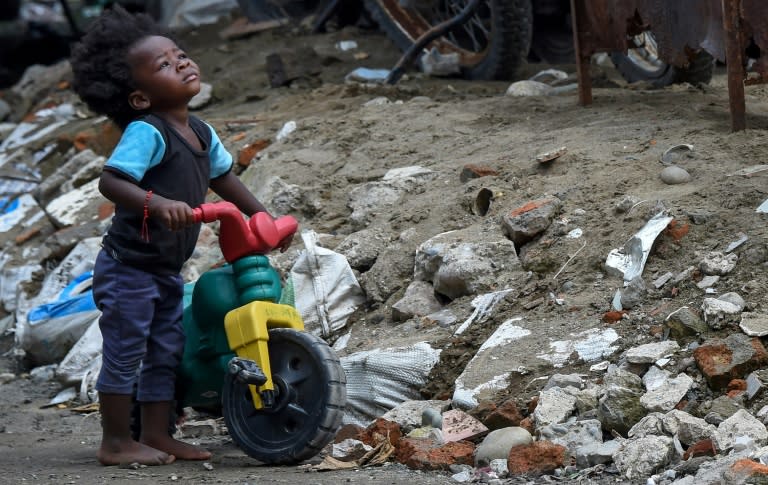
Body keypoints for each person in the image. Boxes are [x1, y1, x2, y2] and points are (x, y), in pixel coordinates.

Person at [70, 5, 287, 466]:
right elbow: (111, 182)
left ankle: (155, 433)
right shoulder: (146, 132)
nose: (182, 63)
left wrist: (263, 219)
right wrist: (156, 203)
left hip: (166, 269)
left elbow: (226, 179)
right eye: (164, 65)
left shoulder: (203, 134)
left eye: (181, 55)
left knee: (167, 350)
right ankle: (115, 442)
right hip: (128, 267)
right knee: (127, 354)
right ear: (140, 97)